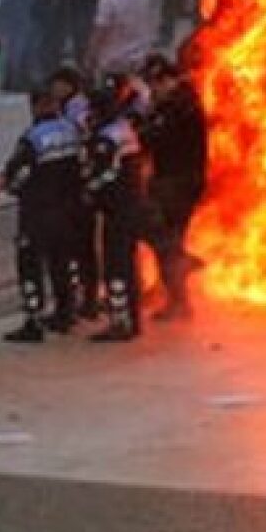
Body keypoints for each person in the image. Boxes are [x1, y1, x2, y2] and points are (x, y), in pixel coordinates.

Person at [2, 90, 86, 343]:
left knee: (30, 265)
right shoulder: (72, 131)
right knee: (61, 263)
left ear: (36, 107)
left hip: (37, 212)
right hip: (69, 210)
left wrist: (15, 189)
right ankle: (65, 312)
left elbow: (17, 175)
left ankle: (33, 321)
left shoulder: (32, 138)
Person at [139, 55, 205, 321]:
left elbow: (154, 138)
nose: (153, 89)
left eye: (156, 83)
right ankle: (177, 272)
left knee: (164, 239)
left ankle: (179, 301)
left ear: (169, 79)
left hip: (179, 183)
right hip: (172, 181)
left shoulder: (180, 106)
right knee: (163, 238)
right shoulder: (173, 104)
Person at [83, 82, 150, 342]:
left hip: (117, 208)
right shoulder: (124, 130)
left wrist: (88, 191)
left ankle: (120, 322)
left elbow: (104, 174)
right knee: (128, 264)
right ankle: (131, 318)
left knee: (116, 266)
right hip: (132, 204)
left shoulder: (106, 138)